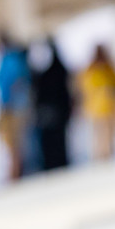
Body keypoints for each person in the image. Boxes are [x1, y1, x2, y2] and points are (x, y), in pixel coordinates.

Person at [0, 33, 32, 179]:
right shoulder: (8, 60)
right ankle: (14, 170)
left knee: (14, 141)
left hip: (12, 106)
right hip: (10, 105)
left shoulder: (11, 60)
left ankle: (16, 171)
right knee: (11, 141)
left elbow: (15, 83)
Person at [32, 39, 73, 172]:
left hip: (53, 111)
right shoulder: (57, 71)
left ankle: (54, 164)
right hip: (53, 112)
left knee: (54, 141)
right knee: (53, 141)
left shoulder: (52, 72)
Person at [79, 44, 115, 161]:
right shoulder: (91, 70)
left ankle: (108, 154)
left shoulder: (109, 68)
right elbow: (86, 88)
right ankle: (103, 155)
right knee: (101, 134)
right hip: (97, 108)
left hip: (110, 106)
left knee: (110, 133)